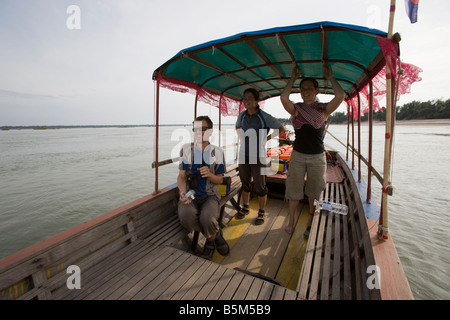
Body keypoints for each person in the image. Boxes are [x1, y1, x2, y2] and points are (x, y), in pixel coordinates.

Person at [280, 64, 345, 237]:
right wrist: (292, 79)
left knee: (314, 190)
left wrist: (330, 77)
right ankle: (291, 220)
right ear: (300, 92)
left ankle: (310, 218)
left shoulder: (323, 109)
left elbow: (340, 96)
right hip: (298, 155)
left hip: (317, 157)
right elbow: (284, 98)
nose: (306, 91)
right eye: (303, 89)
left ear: (316, 90)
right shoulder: (296, 109)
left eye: (310, 88)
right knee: (294, 189)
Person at [177, 115, 230, 259]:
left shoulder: (217, 152)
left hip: (210, 195)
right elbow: (181, 176)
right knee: (186, 217)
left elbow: (219, 180)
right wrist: (182, 192)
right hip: (191, 194)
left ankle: (209, 241)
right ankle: (215, 236)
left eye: (202, 129)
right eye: (195, 129)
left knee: (207, 219)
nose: (198, 132)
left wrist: (211, 176)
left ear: (210, 131)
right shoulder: (186, 149)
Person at [235, 88, 285, 225]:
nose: (247, 100)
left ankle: (261, 212)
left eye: (250, 98)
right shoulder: (242, 116)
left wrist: (266, 139)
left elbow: (281, 129)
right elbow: (237, 127)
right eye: (245, 97)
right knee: (245, 183)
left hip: (258, 156)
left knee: (260, 186)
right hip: (243, 154)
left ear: (257, 101)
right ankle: (245, 207)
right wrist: (241, 138)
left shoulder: (264, 116)